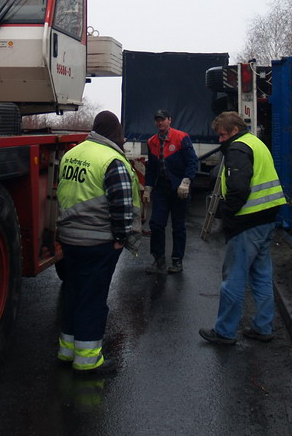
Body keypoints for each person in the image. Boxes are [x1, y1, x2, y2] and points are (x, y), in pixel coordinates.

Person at [55, 111, 141, 375]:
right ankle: (87, 361)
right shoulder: (112, 160)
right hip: (97, 242)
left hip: (70, 239)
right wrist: (120, 238)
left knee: (72, 293)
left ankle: (66, 351)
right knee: (92, 299)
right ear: (115, 132)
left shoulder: (73, 153)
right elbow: (122, 205)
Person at [199, 111, 286, 345]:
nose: (220, 140)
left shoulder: (237, 149)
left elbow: (238, 188)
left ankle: (225, 331)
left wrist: (228, 215)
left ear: (234, 132)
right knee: (261, 275)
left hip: (247, 221)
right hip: (267, 218)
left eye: (222, 135)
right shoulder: (256, 143)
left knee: (233, 279)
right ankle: (263, 327)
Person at [143, 109, 199, 275]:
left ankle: (177, 260)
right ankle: (158, 259)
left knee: (178, 225)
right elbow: (151, 169)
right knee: (156, 224)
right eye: (157, 120)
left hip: (179, 188)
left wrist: (186, 181)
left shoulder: (181, 137)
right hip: (162, 188)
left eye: (163, 119)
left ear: (169, 120)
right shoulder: (152, 142)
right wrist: (148, 188)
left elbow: (192, 162)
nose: (160, 122)